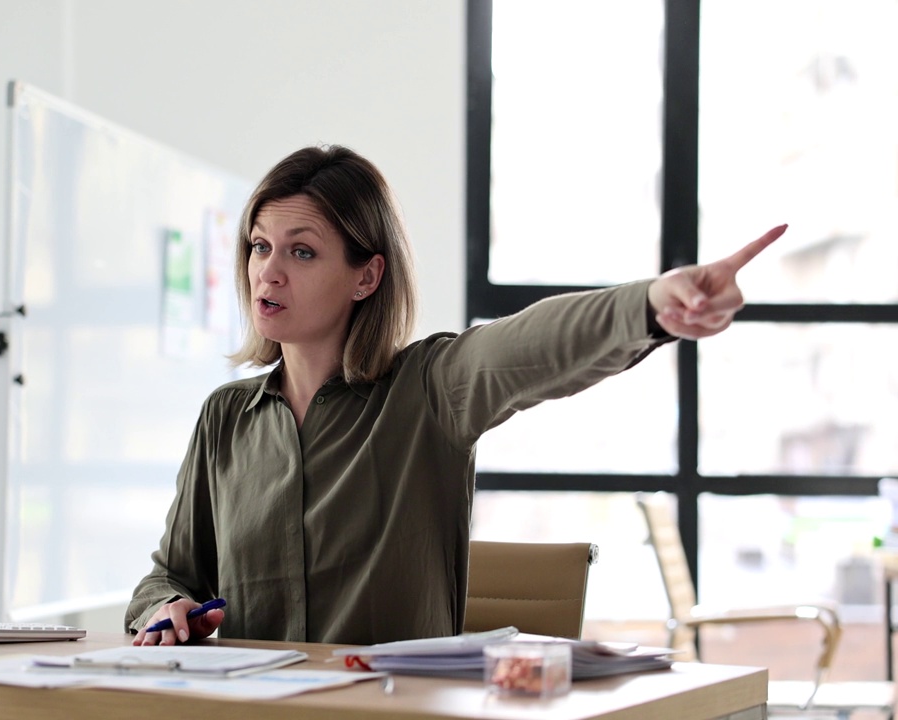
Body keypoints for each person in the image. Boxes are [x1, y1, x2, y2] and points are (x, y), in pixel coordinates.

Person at [126, 144, 785, 647]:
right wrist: (165, 607)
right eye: (260, 246)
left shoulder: (426, 390)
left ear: (367, 277)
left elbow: (527, 346)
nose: (267, 270)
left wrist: (649, 305)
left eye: (302, 253)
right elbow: (170, 575)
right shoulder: (226, 418)